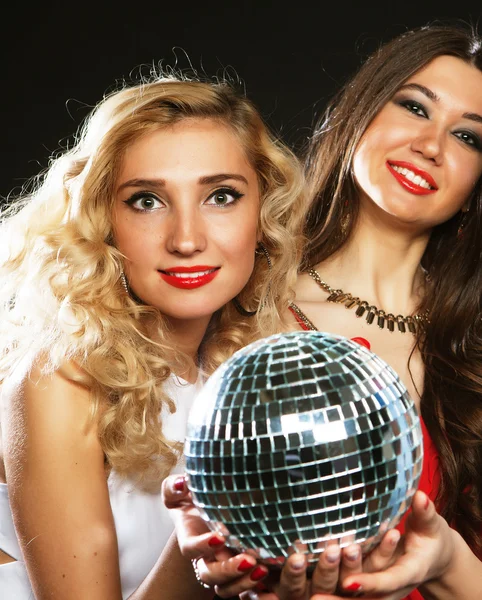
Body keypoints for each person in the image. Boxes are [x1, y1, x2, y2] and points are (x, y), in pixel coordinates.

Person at [162, 22, 482, 600]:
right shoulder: (235, 302)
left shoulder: (473, 353)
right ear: (361, 110)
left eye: (469, 138)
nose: (431, 145)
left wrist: (446, 562)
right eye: (414, 107)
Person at [0, 73, 308, 599]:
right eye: (146, 200)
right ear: (101, 219)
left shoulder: (258, 360)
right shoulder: (59, 379)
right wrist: (204, 552)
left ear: (264, 214)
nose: (186, 239)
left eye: (222, 196)